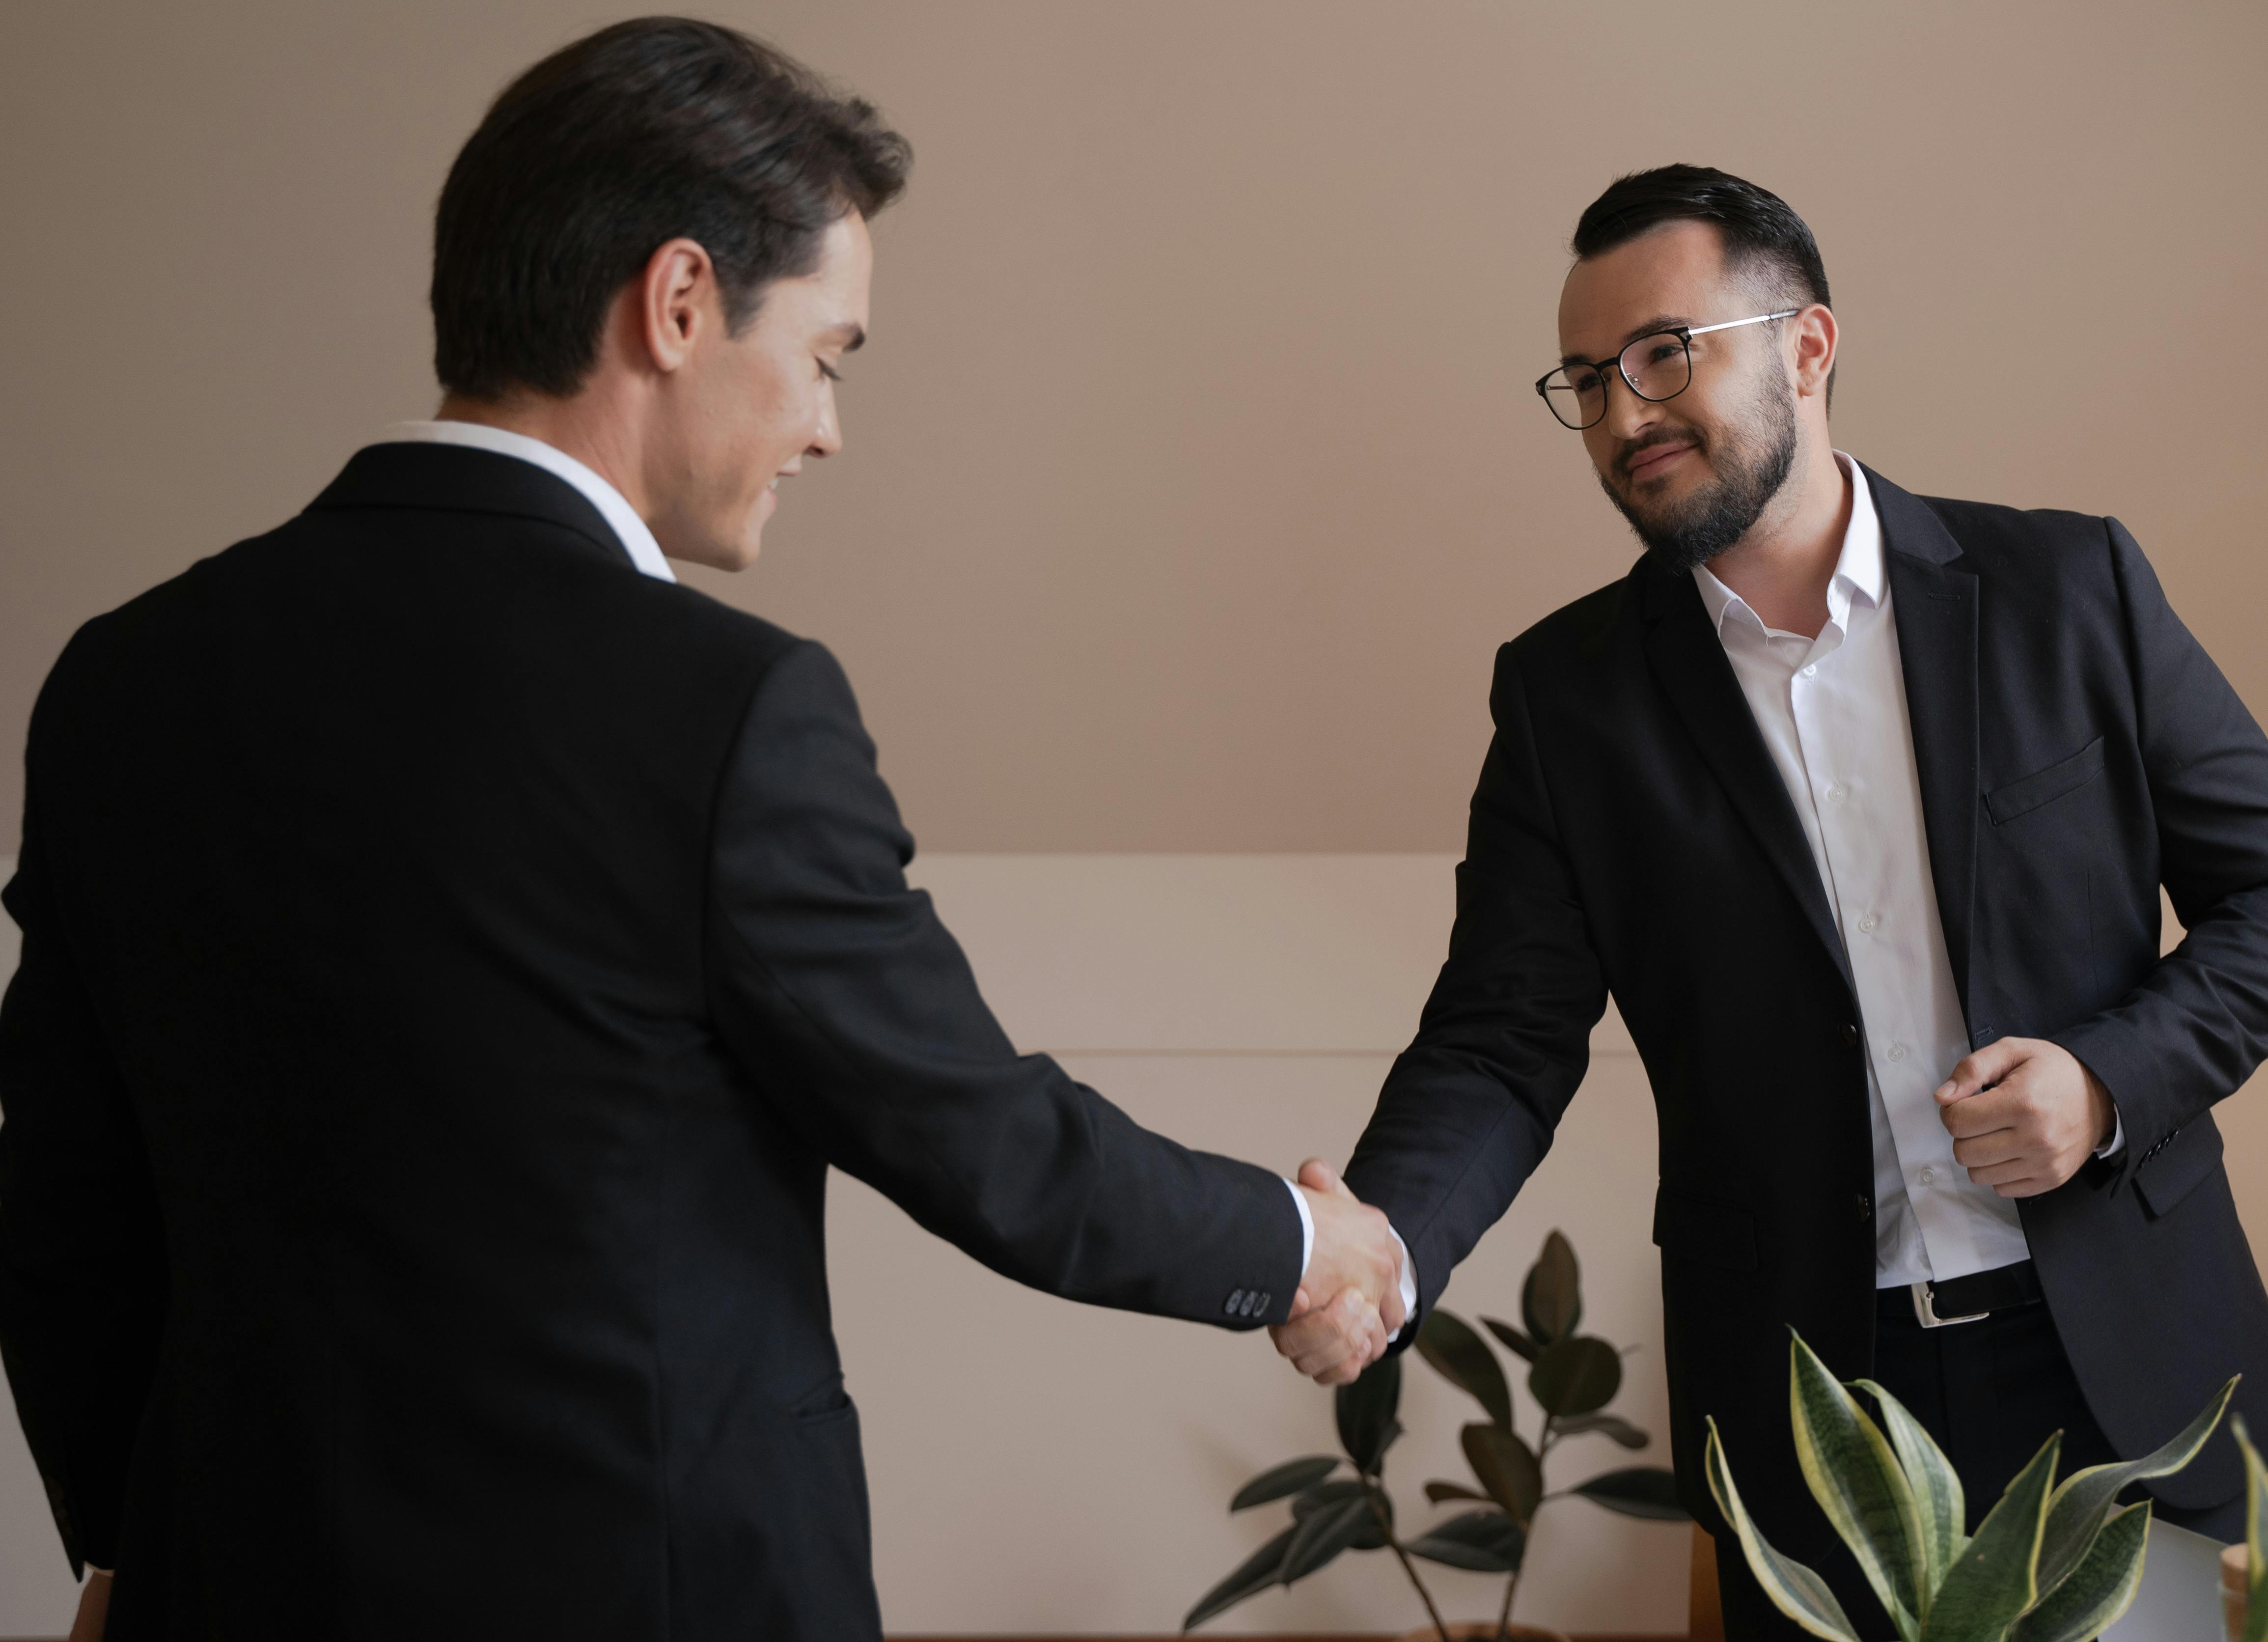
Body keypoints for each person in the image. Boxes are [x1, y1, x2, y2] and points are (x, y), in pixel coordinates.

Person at [0, 20, 1405, 1641]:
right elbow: (980, 1138)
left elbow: (62, 1203)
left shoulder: (125, 680)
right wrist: (1302, 1246)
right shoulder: (726, 706)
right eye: (827, 355)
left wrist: (125, 1551)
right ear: (677, 304)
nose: (826, 426)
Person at [1266, 165, 2268, 1640]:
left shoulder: (2068, 585)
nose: (1624, 413)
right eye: (1586, 380)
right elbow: (1499, 1039)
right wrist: (1379, 1250)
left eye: (1664, 353)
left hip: (2120, 1368)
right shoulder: (1567, 698)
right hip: (1811, 1411)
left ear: (1808, 347)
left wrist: (2108, 1082)